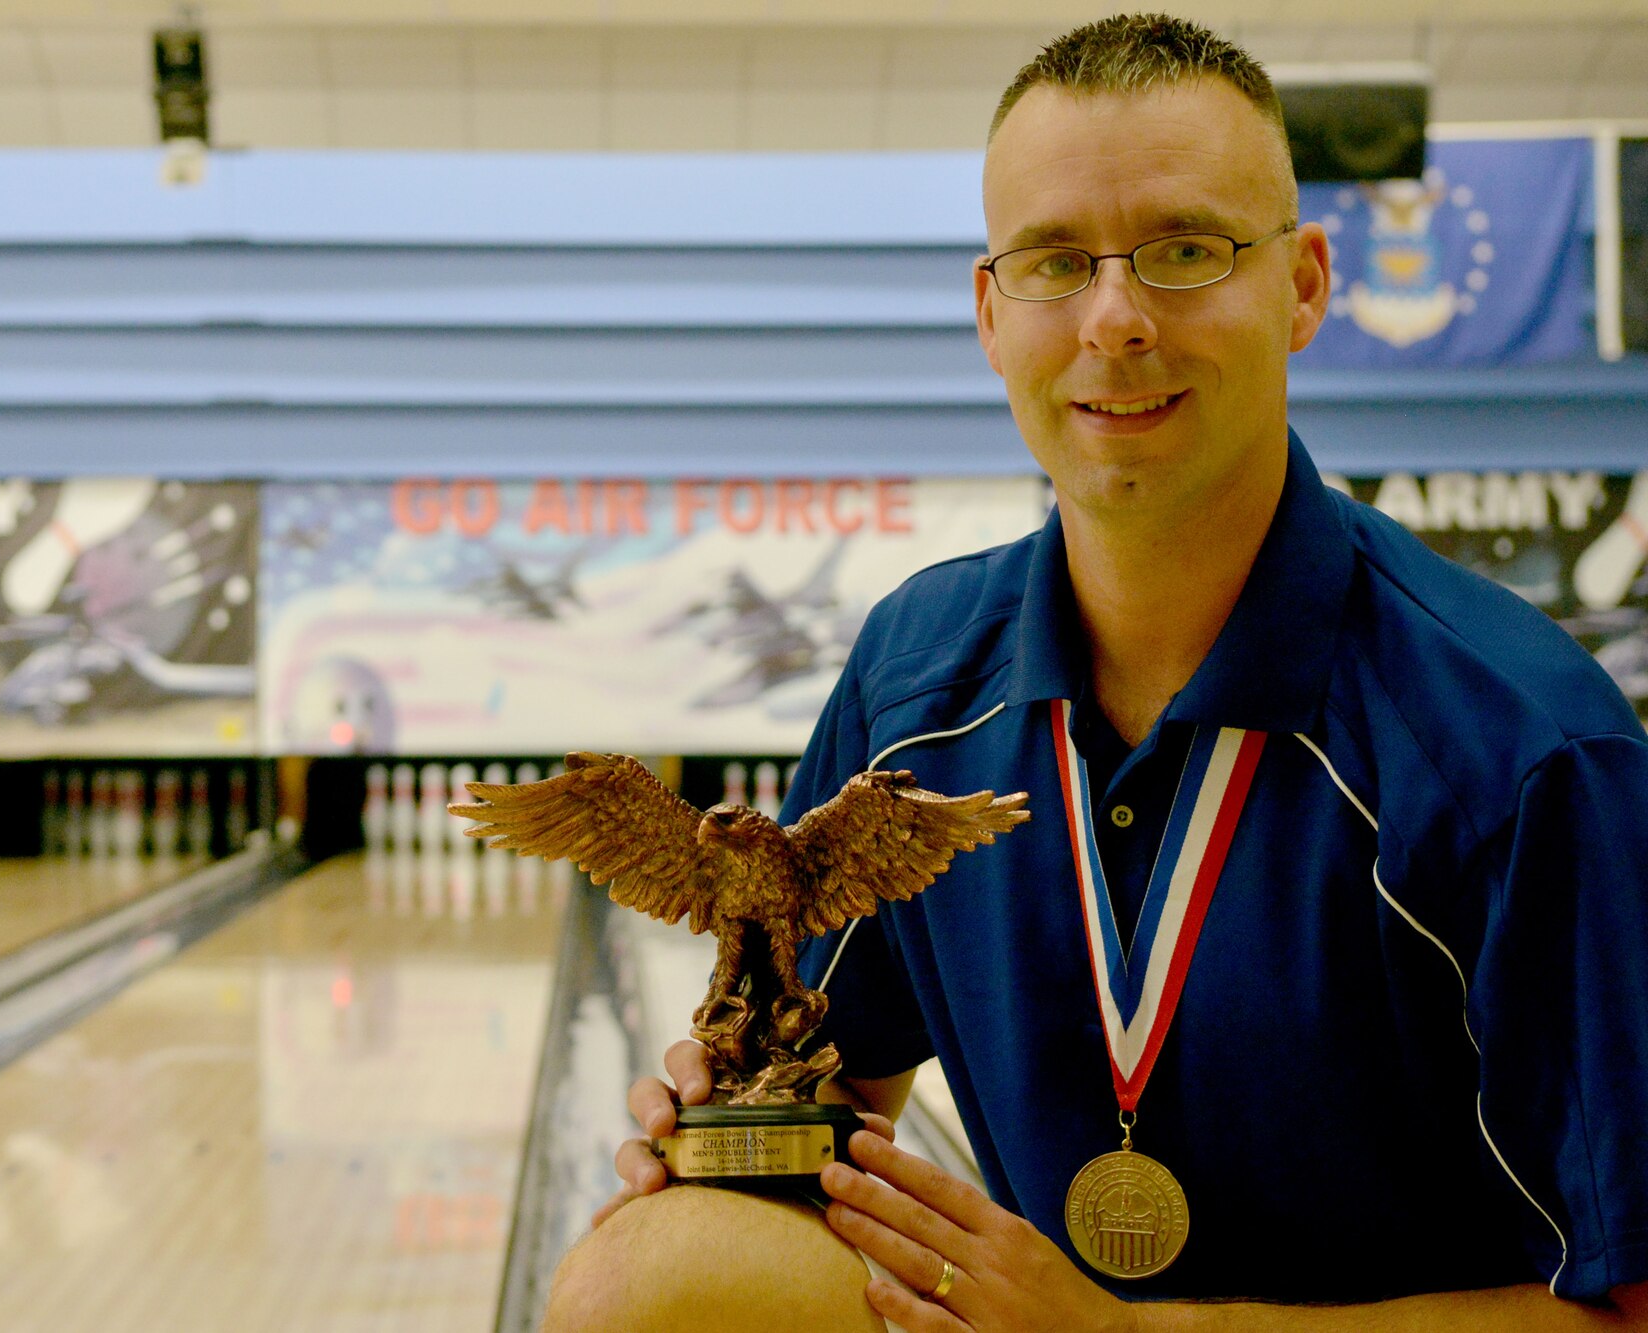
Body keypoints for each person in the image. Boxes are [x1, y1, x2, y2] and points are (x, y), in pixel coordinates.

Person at [541, 13, 1648, 1333]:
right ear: (991, 311)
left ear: (1302, 286)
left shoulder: (1522, 753)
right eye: (1058, 262)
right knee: (639, 1274)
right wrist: (737, 1125)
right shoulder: (914, 682)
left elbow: (1624, 1310)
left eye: (1185, 251)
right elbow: (837, 1111)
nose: (1116, 320)